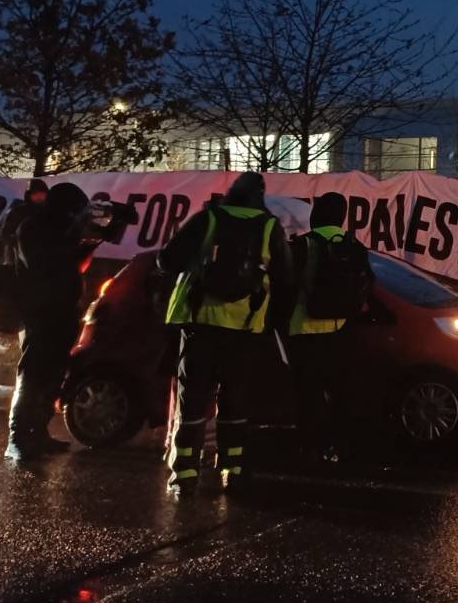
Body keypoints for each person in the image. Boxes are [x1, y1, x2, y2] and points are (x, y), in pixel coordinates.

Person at [159, 172, 291, 496]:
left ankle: (184, 476)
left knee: (192, 402)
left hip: (200, 323)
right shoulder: (270, 227)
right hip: (246, 327)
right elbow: (286, 278)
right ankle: (233, 470)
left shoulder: (209, 218)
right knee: (235, 401)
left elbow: (166, 260)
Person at [4, 183, 92, 463]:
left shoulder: (58, 230)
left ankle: (39, 432)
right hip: (39, 313)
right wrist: (70, 241)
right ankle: (16, 438)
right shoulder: (33, 227)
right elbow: (42, 265)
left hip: (64, 311)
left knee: (53, 375)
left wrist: (88, 245)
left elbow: (72, 266)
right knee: (31, 375)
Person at [285, 193, 373, 463]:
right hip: (341, 329)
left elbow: (286, 286)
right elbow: (368, 284)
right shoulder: (354, 246)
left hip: (304, 329)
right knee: (340, 391)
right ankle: (339, 447)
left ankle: (309, 448)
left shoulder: (303, 245)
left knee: (307, 393)